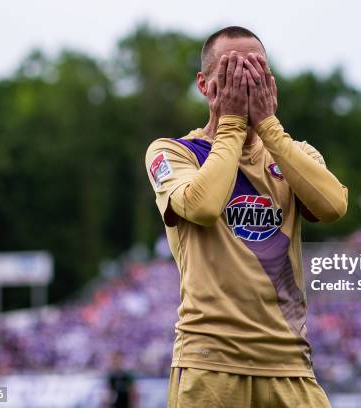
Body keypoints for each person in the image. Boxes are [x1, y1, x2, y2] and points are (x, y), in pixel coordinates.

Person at [145, 25, 348, 407]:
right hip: (210, 363)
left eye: (254, 69)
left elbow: (332, 206)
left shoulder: (293, 153)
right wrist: (233, 124)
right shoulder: (174, 152)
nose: (244, 80)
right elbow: (203, 207)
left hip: (290, 364)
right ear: (204, 85)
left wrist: (269, 127)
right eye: (231, 71)